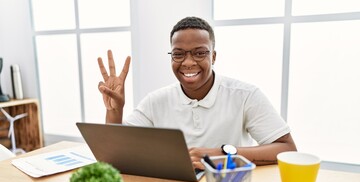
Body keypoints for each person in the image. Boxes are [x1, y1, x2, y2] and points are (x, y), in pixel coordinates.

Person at [97, 16, 297, 170]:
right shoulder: (155, 101)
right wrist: (115, 111)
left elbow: (287, 149)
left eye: (200, 52)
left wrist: (224, 155)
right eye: (178, 54)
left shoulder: (245, 95)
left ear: (214, 56)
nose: (188, 62)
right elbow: (115, 155)